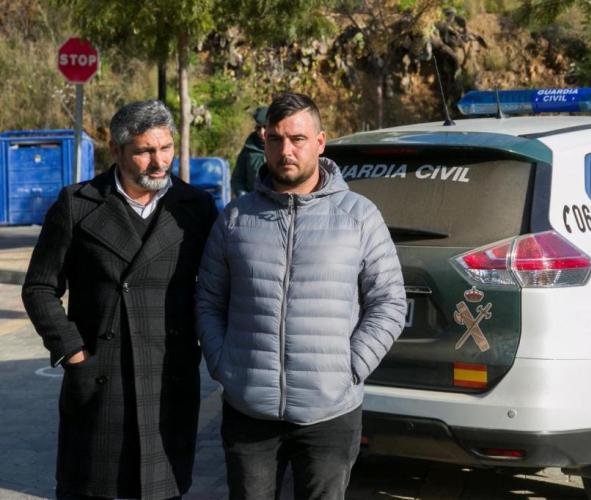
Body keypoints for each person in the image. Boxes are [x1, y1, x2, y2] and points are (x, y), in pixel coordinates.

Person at [196, 92, 407, 500]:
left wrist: (350, 367)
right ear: (264, 142)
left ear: (320, 142)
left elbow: (389, 302)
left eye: (297, 139)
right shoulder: (236, 218)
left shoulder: (359, 216)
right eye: (275, 139)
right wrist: (223, 364)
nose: (286, 150)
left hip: (330, 413)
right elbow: (208, 299)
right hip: (249, 411)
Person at [22, 100, 218, 500]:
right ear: (116, 150)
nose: (158, 162)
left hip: (168, 379)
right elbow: (40, 287)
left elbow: (217, 288)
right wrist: (73, 352)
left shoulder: (195, 208)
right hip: (100, 379)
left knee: (160, 490)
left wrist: (208, 347)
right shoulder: (78, 204)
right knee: (92, 487)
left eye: (165, 148)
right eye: (145, 151)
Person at [230, 106, 267, 197]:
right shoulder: (248, 149)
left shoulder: (282, 148)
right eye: (258, 128)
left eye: (265, 127)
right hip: (253, 201)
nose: (262, 132)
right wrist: (244, 197)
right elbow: (237, 179)